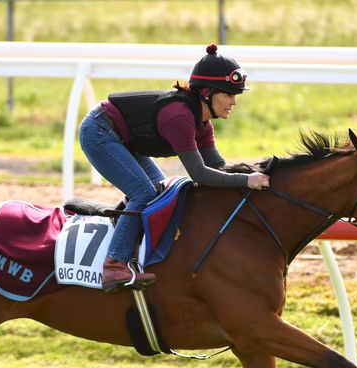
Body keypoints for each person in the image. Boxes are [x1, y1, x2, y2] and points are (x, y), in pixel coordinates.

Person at [78, 43, 270, 293]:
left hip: (124, 136)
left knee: (160, 193)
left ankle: (129, 236)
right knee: (144, 194)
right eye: (229, 94)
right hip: (100, 131)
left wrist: (253, 172)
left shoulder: (203, 124)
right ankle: (114, 264)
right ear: (207, 93)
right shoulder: (179, 117)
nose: (234, 102)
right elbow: (199, 174)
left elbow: (218, 167)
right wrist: (246, 181)